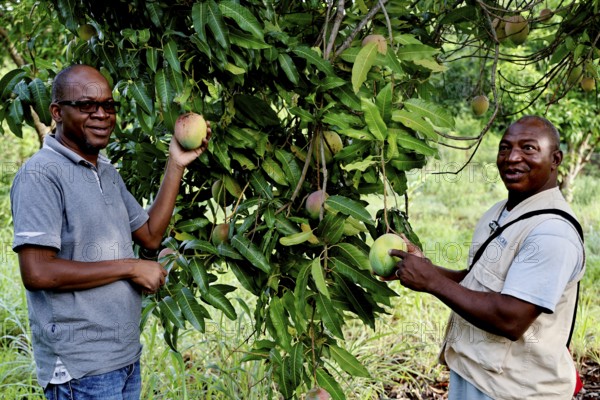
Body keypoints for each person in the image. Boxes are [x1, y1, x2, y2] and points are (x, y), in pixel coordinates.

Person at [10, 64, 211, 399]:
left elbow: (148, 235)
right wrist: (131, 266)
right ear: (57, 112)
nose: (102, 114)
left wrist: (176, 162)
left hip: (123, 359)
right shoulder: (40, 175)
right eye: (87, 105)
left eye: (109, 106)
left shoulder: (105, 170)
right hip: (82, 370)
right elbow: (38, 272)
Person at [388, 116, 585, 399]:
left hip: (514, 391)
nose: (512, 157)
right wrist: (423, 267)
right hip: (476, 374)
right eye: (504, 148)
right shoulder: (501, 212)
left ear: (555, 159)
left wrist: (431, 281)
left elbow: (510, 319)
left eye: (528, 148)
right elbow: (476, 282)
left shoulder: (553, 233)